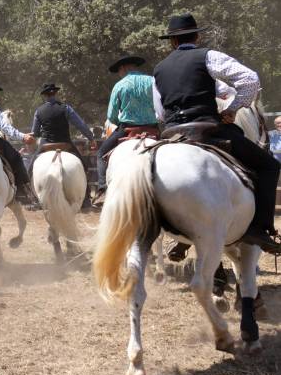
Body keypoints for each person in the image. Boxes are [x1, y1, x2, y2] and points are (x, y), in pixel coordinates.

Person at [152, 13, 280, 251]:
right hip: (207, 130)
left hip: (173, 134)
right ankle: (259, 228)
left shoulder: (158, 70)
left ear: (172, 41)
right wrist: (232, 109)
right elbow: (250, 79)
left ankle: (176, 235)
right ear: (197, 36)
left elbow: (159, 113)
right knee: (269, 166)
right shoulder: (208, 56)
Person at [93, 55, 158, 206]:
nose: (119, 73)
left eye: (119, 71)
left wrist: (117, 120)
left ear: (123, 68)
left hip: (127, 128)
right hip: (153, 128)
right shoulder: (153, 81)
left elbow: (111, 116)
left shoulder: (120, 85)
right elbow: (161, 105)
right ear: (135, 66)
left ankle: (102, 189)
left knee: (101, 154)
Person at [30, 83, 96, 162]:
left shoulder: (38, 111)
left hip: (45, 143)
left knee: (31, 165)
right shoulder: (66, 108)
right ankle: (86, 171)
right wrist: (91, 138)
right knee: (83, 164)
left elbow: (35, 133)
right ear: (55, 93)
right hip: (65, 142)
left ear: (44, 95)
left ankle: (27, 173)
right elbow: (80, 125)